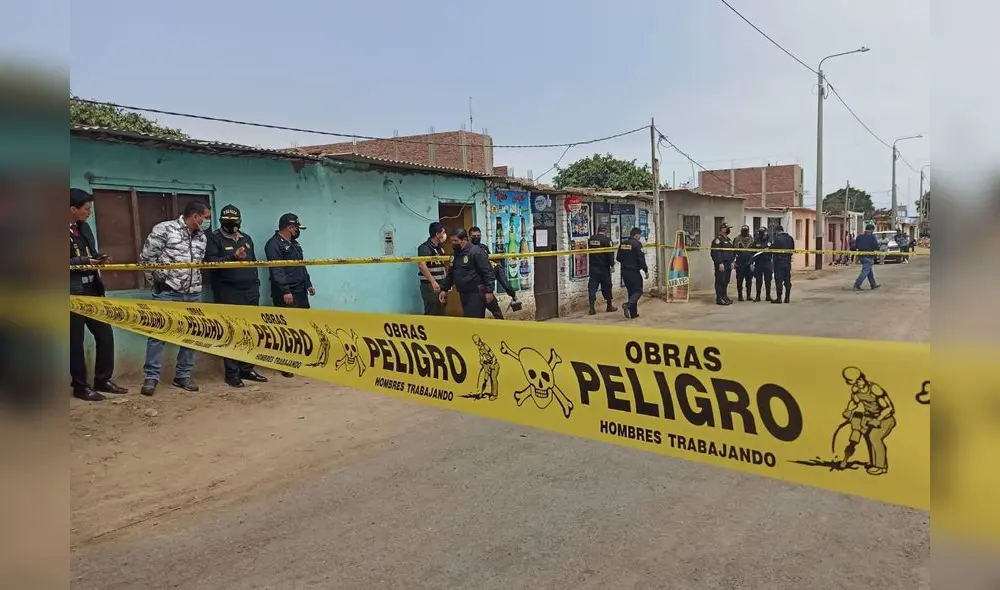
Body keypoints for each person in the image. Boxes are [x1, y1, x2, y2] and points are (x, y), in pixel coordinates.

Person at [139, 200, 211, 396]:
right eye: (205, 218)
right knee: (158, 333)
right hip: (168, 292)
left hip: (193, 293)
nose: (207, 222)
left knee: (191, 334)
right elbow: (146, 258)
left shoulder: (202, 237)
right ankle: (151, 377)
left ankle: (183, 375)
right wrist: (158, 283)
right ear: (195, 216)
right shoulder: (165, 229)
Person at [69, 188, 127, 402]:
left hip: (92, 288)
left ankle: (102, 379)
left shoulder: (83, 229)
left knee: (105, 334)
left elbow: (89, 254)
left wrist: (98, 258)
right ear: (72, 209)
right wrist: (84, 262)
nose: (89, 213)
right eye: (86, 209)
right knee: (75, 342)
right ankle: (80, 386)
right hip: (70, 293)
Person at [204, 204, 268, 388]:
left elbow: (252, 262)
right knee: (231, 332)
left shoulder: (246, 238)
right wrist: (233, 257)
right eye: (229, 222)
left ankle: (247, 368)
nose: (233, 225)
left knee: (250, 330)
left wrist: (255, 284)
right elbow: (211, 263)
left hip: (250, 290)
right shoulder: (214, 239)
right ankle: (232, 373)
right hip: (228, 291)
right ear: (223, 221)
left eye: (236, 221)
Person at [265, 213, 314, 377]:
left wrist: (308, 284)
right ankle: (285, 363)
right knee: (287, 330)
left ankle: (300, 359)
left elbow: (301, 265)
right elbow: (277, 270)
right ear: (289, 227)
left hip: (300, 290)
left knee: (301, 326)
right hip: (286, 293)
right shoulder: (273, 245)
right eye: (297, 228)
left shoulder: (295, 244)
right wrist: (285, 290)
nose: (298, 231)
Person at [437, 227, 495, 318]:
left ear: (464, 240)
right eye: (451, 241)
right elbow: (451, 274)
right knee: (468, 320)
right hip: (463, 293)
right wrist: (444, 289)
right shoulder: (454, 255)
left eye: (455, 241)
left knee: (475, 322)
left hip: (476, 293)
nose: (453, 243)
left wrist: (489, 291)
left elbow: (488, 272)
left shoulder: (476, 252)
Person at [469, 226, 517, 319]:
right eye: (474, 236)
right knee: (477, 319)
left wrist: (511, 293)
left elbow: (491, 268)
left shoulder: (484, 248)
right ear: (469, 236)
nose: (476, 237)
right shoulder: (467, 250)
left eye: (478, 235)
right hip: (474, 292)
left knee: (498, 316)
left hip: (486, 289)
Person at [615, 227, 648, 319]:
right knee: (638, 291)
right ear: (636, 235)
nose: (639, 237)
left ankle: (633, 313)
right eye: (639, 235)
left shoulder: (623, 243)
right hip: (634, 272)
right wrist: (645, 270)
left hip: (625, 272)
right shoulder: (637, 244)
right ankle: (628, 305)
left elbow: (618, 258)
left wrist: (627, 261)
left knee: (631, 292)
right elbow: (641, 259)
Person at [416, 221, 448, 316]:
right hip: (430, 286)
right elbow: (422, 265)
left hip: (441, 284)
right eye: (443, 232)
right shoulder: (425, 247)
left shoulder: (440, 248)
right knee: (432, 310)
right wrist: (433, 282)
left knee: (441, 310)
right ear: (437, 234)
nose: (444, 235)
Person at [586, 224, 617, 315]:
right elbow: (610, 254)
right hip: (604, 268)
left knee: (592, 287)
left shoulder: (591, 239)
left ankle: (591, 308)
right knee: (607, 286)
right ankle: (609, 306)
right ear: (606, 231)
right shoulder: (607, 240)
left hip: (593, 268)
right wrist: (612, 265)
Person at [709, 222, 735, 305]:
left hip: (728, 264)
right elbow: (715, 252)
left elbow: (732, 252)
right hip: (721, 264)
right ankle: (719, 298)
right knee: (720, 280)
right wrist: (719, 263)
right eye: (727, 228)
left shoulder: (729, 240)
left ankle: (724, 296)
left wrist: (732, 261)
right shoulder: (717, 240)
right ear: (723, 229)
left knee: (726, 281)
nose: (728, 230)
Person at [769, 224, 795, 304]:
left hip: (779, 261)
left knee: (779, 279)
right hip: (787, 261)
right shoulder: (790, 238)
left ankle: (779, 298)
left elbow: (772, 248)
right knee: (787, 279)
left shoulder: (776, 238)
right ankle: (787, 298)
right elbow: (792, 249)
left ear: (777, 231)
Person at [853, 224, 881, 291]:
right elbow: (876, 247)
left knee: (869, 271)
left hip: (861, 256)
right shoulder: (872, 237)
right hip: (869, 256)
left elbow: (856, 246)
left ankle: (873, 284)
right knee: (865, 271)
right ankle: (857, 284)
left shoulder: (859, 236)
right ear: (871, 230)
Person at [732, 224, 755, 302]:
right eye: (744, 230)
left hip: (749, 262)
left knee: (749, 281)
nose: (745, 232)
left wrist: (752, 263)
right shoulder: (737, 239)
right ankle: (740, 296)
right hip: (740, 263)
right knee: (739, 280)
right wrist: (734, 262)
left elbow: (754, 252)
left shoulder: (751, 239)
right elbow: (733, 252)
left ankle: (748, 295)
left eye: (746, 230)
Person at [750, 226, 773, 302]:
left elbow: (775, 250)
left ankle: (768, 296)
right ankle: (758, 296)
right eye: (759, 232)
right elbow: (752, 252)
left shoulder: (770, 240)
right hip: (758, 262)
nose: (760, 233)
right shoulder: (756, 240)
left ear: (766, 232)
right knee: (758, 280)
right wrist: (751, 263)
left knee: (768, 280)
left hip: (767, 262)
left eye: (762, 232)